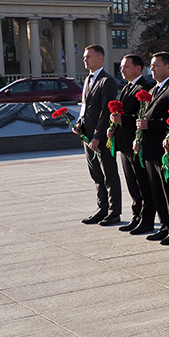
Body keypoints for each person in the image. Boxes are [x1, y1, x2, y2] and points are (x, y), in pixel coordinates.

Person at [135, 52, 169, 245]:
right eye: (151, 65)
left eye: (156, 65)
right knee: (156, 190)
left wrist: (151, 124)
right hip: (150, 149)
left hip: (164, 150)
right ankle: (165, 225)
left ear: (168, 67)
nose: (151, 69)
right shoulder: (155, 89)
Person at [76, 44, 121, 226]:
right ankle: (101, 209)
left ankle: (113, 212)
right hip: (87, 136)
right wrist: (79, 124)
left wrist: (97, 136)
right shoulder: (88, 80)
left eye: (88, 56)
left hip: (101, 138)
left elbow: (105, 111)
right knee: (96, 175)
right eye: (84, 57)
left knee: (109, 174)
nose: (84, 59)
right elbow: (85, 107)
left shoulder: (107, 81)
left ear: (100, 58)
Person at [110, 54, 154, 234]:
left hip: (137, 144)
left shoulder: (146, 87)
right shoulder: (127, 87)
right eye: (121, 67)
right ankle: (137, 216)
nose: (122, 70)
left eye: (126, 67)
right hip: (124, 143)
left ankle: (147, 219)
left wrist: (123, 120)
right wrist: (113, 125)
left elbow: (143, 116)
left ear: (138, 69)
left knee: (143, 183)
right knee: (132, 183)